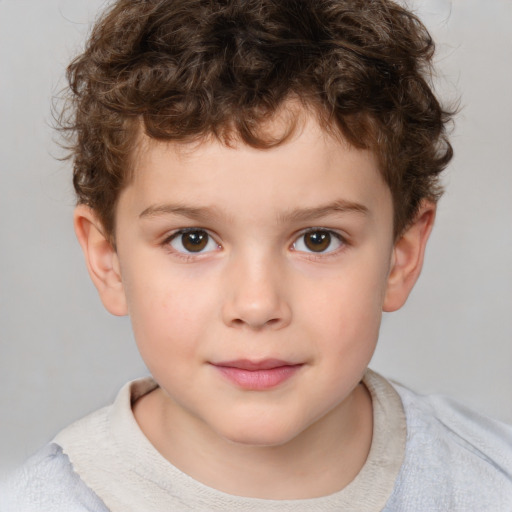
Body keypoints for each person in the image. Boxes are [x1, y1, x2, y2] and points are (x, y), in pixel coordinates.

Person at [2, 0, 511, 510]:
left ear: (401, 255)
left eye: (317, 239)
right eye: (193, 240)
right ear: (107, 258)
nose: (256, 304)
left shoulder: (490, 482)